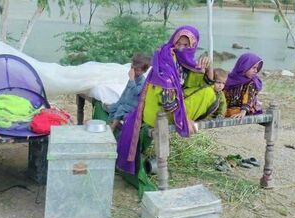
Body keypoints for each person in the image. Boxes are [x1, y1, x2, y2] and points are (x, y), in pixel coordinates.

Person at [116, 25, 218, 175]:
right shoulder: (166, 57)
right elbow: (167, 101)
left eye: (186, 45)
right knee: (208, 94)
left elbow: (206, 83)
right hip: (158, 111)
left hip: (167, 106)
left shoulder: (186, 61)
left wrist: (209, 66)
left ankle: (189, 114)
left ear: (193, 46)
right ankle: (189, 117)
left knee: (208, 92)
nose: (182, 48)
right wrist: (185, 119)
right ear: (173, 41)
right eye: (179, 44)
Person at [107, 54, 150, 130]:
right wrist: (121, 100)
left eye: (137, 70)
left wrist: (131, 79)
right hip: (125, 102)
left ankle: (112, 127)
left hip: (132, 106)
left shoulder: (142, 81)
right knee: (114, 107)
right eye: (132, 68)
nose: (134, 71)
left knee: (121, 109)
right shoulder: (134, 77)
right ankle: (110, 122)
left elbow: (135, 92)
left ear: (144, 71)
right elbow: (126, 90)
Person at [224, 53, 263, 118]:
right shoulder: (230, 78)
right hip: (227, 108)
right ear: (244, 66)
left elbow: (248, 97)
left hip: (244, 109)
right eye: (253, 68)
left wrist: (243, 112)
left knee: (233, 112)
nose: (256, 71)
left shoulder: (251, 82)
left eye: (257, 68)